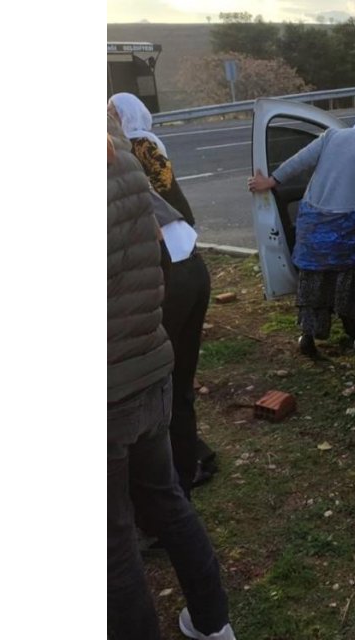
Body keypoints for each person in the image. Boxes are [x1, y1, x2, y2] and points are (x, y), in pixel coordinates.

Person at [108, 114, 236, 640]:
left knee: (111, 543)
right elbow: (161, 259)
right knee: (165, 498)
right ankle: (212, 622)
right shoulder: (119, 156)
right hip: (148, 367)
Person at [110, 92, 217, 495]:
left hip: (167, 272)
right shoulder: (132, 157)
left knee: (156, 390)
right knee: (178, 385)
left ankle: (164, 493)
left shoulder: (125, 155)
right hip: (189, 262)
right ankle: (183, 483)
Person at [248, 102, 355, 359]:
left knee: (314, 283)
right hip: (346, 233)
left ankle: (307, 336)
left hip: (312, 227)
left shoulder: (332, 136)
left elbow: (301, 160)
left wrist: (271, 181)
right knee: (350, 284)